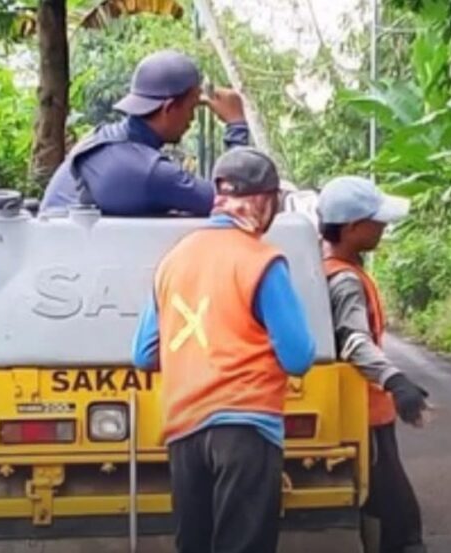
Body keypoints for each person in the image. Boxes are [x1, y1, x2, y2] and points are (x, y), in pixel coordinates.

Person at [131, 147, 316, 553]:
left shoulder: (172, 261)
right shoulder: (261, 260)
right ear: (265, 201)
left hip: (185, 431)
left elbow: (144, 354)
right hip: (246, 428)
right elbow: (299, 356)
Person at [317, 176, 430, 553]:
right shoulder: (345, 279)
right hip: (363, 417)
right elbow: (353, 341)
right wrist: (395, 380)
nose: (383, 227)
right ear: (351, 228)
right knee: (400, 520)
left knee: (386, 510)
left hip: (364, 412)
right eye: (376, 221)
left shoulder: (323, 266)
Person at [41, 49, 250, 215]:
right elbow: (233, 200)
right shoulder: (149, 172)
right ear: (169, 108)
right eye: (192, 108)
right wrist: (236, 124)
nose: (192, 119)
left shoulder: (101, 139)